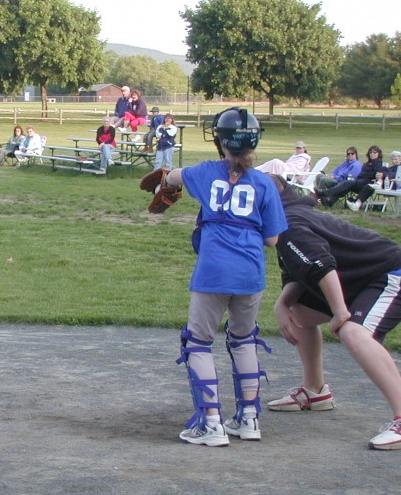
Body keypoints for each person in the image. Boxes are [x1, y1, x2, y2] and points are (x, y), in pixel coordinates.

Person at [165, 107, 287, 447]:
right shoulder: (264, 183)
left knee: (199, 342)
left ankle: (212, 423)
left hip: (214, 270)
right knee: (244, 338)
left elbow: (173, 178)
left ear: (219, 140)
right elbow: (273, 239)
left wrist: (165, 181)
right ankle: (248, 418)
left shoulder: (206, 172)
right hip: (250, 272)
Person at [267, 174, 401, 450]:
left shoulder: (290, 224)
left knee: (353, 331)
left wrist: (340, 313)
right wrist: (282, 304)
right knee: (300, 311)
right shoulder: (291, 214)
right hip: (364, 279)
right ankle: (316, 391)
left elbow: (321, 265)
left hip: (390, 274)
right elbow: (301, 274)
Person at [318, 145, 384, 208]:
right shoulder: (366, 163)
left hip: (366, 184)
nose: (372, 154)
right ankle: (329, 202)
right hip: (359, 181)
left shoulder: (377, 162)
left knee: (346, 183)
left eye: (374, 152)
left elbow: (374, 174)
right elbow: (361, 174)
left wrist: (365, 175)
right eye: (371, 152)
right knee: (345, 185)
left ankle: (325, 193)